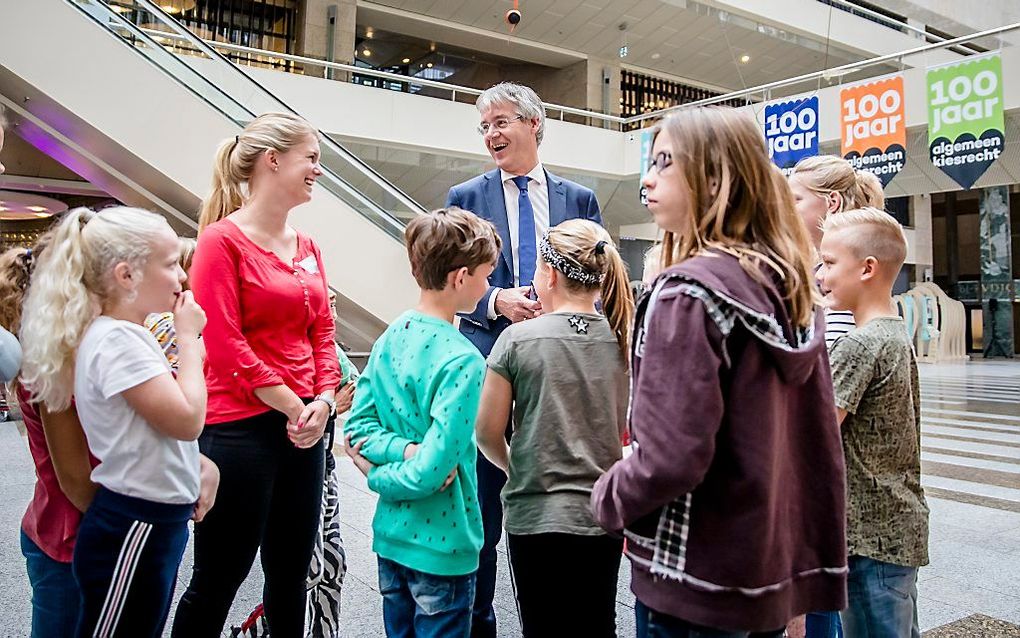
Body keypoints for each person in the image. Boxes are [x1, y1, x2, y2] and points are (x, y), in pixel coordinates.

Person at [590, 107, 848, 637]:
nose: (647, 178)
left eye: (664, 162)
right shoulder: (789, 289)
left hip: (693, 571)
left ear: (714, 177)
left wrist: (606, 496)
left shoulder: (686, 293)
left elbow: (672, 456)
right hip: (760, 568)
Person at [172, 113, 342, 637]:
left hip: (305, 430)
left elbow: (324, 335)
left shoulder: (308, 246)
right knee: (219, 578)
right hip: (240, 430)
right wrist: (296, 406)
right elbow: (223, 345)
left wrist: (325, 402)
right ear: (273, 160)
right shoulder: (221, 243)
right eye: (310, 158)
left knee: (291, 577)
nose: (318, 169)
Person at [444, 81, 602, 637]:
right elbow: (450, 280)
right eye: (484, 126)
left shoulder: (578, 200)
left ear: (534, 123)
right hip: (491, 366)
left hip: (560, 375)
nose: (492, 134)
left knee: (559, 509)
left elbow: (594, 281)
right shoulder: (465, 197)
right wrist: (494, 301)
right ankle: (480, 624)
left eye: (502, 121)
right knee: (484, 514)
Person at [19, 206, 209, 637]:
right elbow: (187, 420)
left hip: (152, 519)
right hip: (134, 518)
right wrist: (188, 340)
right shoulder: (117, 340)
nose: (181, 277)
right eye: (169, 265)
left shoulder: (125, 335)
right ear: (126, 276)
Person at [344, 207, 500, 638]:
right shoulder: (464, 360)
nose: (489, 286)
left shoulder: (391, 334)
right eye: (487, 275)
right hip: (444, 547)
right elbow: (434, 470)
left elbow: (360, 428)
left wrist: (382, 458)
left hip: (391, 537)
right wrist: (391, 469)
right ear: (461, 277)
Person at [475, 219, 632, 637]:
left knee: (543, 625)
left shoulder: (517, 340)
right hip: (602, 512)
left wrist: (516, 467)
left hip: (536, 513)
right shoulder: (623, 340)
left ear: (551, 275)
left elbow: (488, 433)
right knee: (600, 622)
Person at [816, 208, 929, 638]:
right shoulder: (894, 332)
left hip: (868, 536)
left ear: (867, 268)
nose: (821, 274)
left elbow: (815, 431)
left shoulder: (858, 345)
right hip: (897, 526)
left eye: (828, 263)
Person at [789, 156, 884, 349]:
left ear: (832, 201)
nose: (787, 209)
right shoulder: (835, 265)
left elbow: (833, 351)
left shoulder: (847, 269)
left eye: (796, 200)